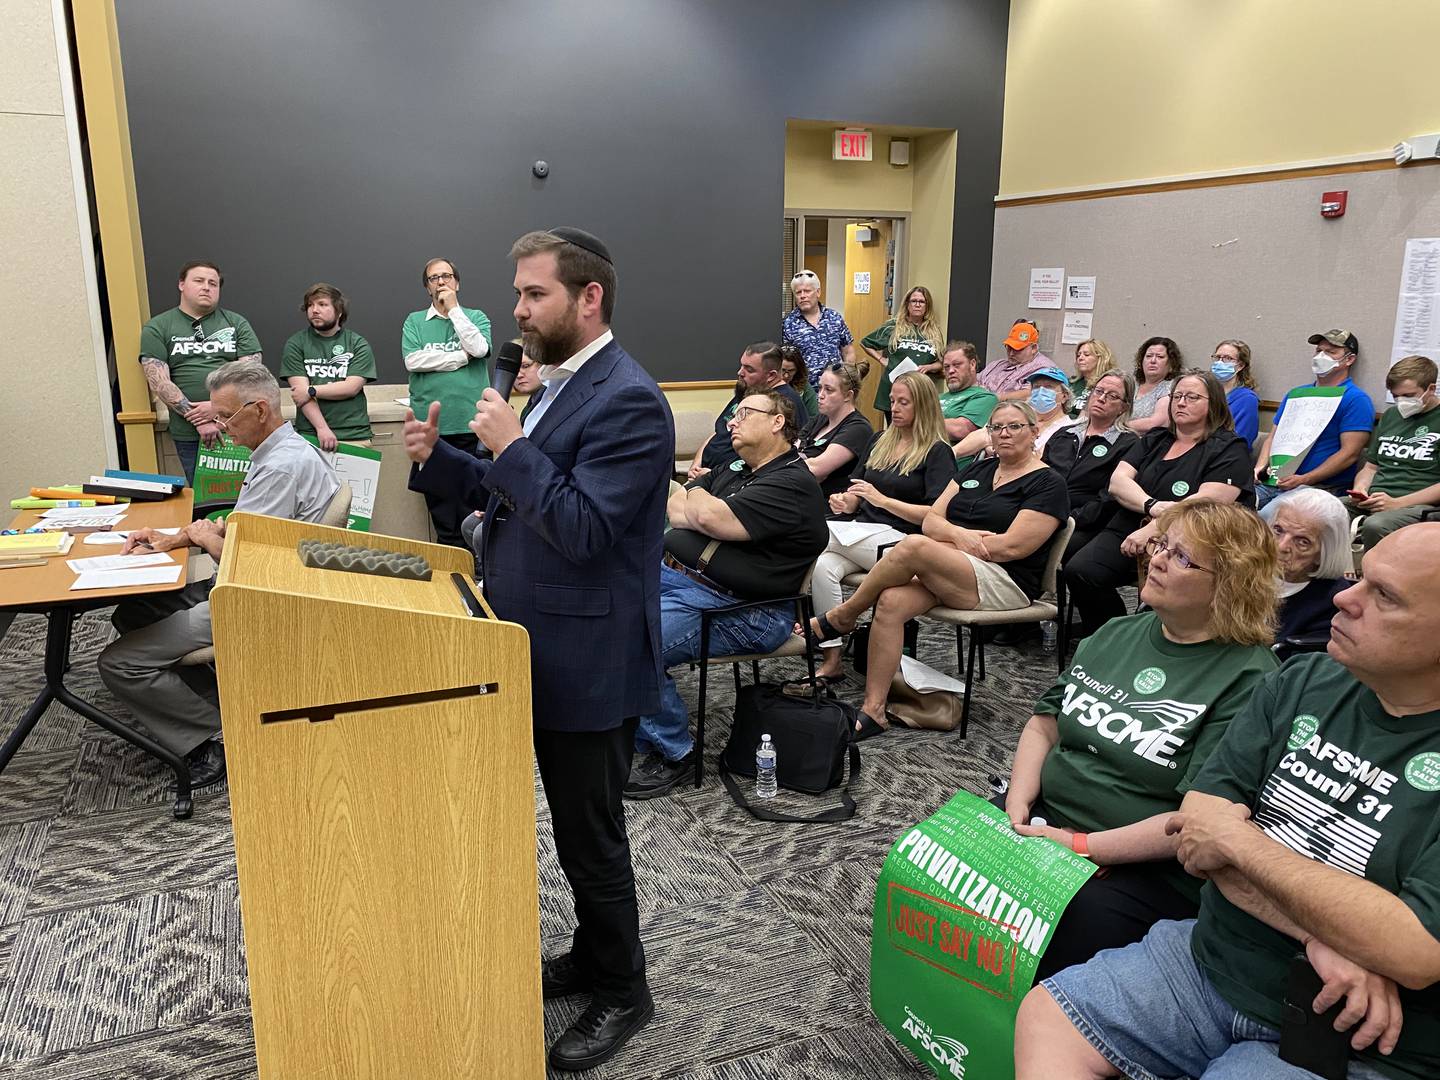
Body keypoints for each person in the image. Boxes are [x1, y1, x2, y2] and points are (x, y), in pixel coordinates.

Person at [1016, 523, 1440, 1080]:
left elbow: (1413, 951)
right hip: (1212, 957)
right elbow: (1196, 831)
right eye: (1360, 578)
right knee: (1048, 1017)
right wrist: (1330, 933)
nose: (1341, 596)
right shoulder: (1304, 680)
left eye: (1383, 595)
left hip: (1357, 1032)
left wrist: (1238, 840)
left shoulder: (1254, 671)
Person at [403, 227, 670, 1071]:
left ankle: (626, 990)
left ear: (588, 298)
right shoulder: (556, 384)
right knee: (566, 826)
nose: (517, 309)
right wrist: (444, 461)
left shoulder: (629, 399)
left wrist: (511, 447)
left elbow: (586, 530)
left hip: (589, 659)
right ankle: (594, 956)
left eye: (533, 294)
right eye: (517, 294)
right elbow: (514, 501)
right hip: (531, 643)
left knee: (592, 835)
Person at [1002, 501, 1279, 981]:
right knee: (939, 863)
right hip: (1046, 816)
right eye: (1161, 546)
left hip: (1146, 862)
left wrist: (1084, 846)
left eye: (1183, 558)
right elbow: (1045, 722)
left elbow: (1194, 819)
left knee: (1059, 927)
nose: (1157, 561)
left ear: (1230, 585)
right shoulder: (1116, 632)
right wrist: (1016, 801)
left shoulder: (1251, 679)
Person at [98, 360, 339, 788]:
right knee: (132, 613)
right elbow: (248, 529)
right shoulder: (280, 452)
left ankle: (210, 738)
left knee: (119, 663)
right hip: (249, 577)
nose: (220, 426)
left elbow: (245, 560)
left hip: (252, 594)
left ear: (260, 410)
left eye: (226, 416)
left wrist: (205, 539)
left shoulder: (280, 467)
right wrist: (177, 538)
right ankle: (213, 702)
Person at [812, 401, 1068, 738]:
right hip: (958, 568)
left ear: (1035, 432)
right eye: (996, 427)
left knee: (914, 546)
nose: (1004, 433)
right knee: (890, 601)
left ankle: (845, 614)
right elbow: (932, 520)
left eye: (1015, 426)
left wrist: (945, 544)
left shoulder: (1048, 483)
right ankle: (874, 710)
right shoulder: (976, 471)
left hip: (1006, 582)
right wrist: (958, 536)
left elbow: (1012, 547)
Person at [624, 392, 827, 799]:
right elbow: (680, 502)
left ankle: (678, 752)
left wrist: (699, 501)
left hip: (747, 610)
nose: (733, 421)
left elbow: (698, 511)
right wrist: (698, 499)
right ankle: (639, 727)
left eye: (745, 413)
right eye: (734, 413)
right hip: (688, 582)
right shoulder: (738, 467)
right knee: (601, 602)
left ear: (777, 422)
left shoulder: (789, 482)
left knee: (632, 643)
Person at [1064, 369, 1254, 638]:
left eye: (1191, 397)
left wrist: (1156, 527)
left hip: (1190, 539)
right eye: (1177, 396)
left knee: (1164, 591)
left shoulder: (1229, 447)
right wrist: (1152, 506)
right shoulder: (1156, 439)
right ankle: (1113, 635)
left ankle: (1146, 637)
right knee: (1081, 571)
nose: (1181, 403)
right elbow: (1118, 481)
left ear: (1213, 403)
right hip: (1131, 522)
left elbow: (1210, 501)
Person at [807, 371, 955, 687]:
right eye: (892, 401)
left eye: (904, 402)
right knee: (821, 566)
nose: (895, 408)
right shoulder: (879, 440)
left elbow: (933, 515)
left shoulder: (937, 451)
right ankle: (831, 660)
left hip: (904, 543)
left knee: (812, 533)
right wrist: (845, 501)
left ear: (924, 406)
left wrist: (883, 500)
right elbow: (857, 493)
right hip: (859, 533)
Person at [138, 260, 263, 484]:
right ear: (181, 285)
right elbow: (159, 381)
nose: (207, 287)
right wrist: (200, 420)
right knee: (206, 502)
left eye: (213, 283)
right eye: (199, 281)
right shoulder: (158, 327)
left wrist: (218, 411)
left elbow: (253, 376)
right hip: (191, 433)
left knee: (249, 497)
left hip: (240, 428)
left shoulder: (236, 323)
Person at [401, 257, 492, 547]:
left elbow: (479, 347)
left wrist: (453, 310)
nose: (441, 282)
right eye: (434, 278)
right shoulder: (415, 321)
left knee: (475, 511)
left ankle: (478, 575)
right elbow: (414, 360)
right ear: (427, 288)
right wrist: (460, 358)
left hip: (473, 427)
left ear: (457, 282)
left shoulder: (475, 317)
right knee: (442, 512)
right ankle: (449, 576)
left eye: (447, 276)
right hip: (433, 434)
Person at [1253, 328, 1375, 509]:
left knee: (1271, 515)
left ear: (1349, 359)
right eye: (1319, 351)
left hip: (1319, 488)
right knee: (1230, 506)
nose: (1321, 356)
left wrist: (1304, 479)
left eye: (1331, 352)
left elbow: (1349, 454)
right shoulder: (1296, 394)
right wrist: (1260, 466)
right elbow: (1273, 437)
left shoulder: (1355, 399)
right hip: (1274, 482)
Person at [1042, 370, 1138, 555]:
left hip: (1083, 524)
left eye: (1112, 396)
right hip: (1041, 513)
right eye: (1098, 391)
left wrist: (1067, 519)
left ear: (1123, 408)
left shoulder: (1128, 443)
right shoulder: (1064, 433)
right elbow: (1039, 474)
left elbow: (1109, 499)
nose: (1101, 398)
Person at [1350, 353, 1440, 549]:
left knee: (1375, 525)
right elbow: (1370, 467)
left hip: (1418, 504)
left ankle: (1375, 579)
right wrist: (1361, 489)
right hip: (1374, 499)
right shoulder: (1391, 415)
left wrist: (1398, 503)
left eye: (1408, 396)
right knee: (1321, 511)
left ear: (1431, 389)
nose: (1401, 402)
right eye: (1395, 395)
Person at [687, 342, 808, 478]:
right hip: (704, 473)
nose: (740, 373)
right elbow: (719, 432)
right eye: (741, 365)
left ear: (771, 376)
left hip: (729, 481)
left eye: (749, 369)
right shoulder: (749, 392)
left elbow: (768, 457)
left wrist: (716, 476)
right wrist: (697, 463)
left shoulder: (783, 403)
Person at [281, 282, 376, 449]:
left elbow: (351, 387)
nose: (314, 310)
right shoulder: (296, 343)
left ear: (339, 311)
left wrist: (312, 390)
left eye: (322, 304)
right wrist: (322, 428)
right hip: (311, 435)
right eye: (310, 305)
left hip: (354, 434)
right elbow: (299, 395)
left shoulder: (357, 343)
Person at [1260, 487, 1354, 644]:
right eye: (1278, 530)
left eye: (1302, 541)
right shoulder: (1243, 571)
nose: (1281, 546)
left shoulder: (1334, 603)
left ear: (1324, 553)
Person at [952, 366, 1072, 467]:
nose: (1040, 392)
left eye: (1048, 387)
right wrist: (951, 453)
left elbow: (1040, 459)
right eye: (1036, 387)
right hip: (991, 471)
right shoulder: (1019, 416)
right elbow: (984, 435)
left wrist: (995, 447)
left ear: (1064, 396)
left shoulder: (1068, 429)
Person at [860, 285, 946, 419]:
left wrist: (929, 367)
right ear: (907, 304)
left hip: (919, 389)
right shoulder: (894, 326)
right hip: (894, 387)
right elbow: (866, 343)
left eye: (922, 302)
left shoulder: (933, 331)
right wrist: (881, 360)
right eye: (914, 301)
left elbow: (942, 362)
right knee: (894, 431)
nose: (917, 305)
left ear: (927, 306)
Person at [795, 361, 874, 498]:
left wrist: (799, 462)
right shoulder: (820, 419)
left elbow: (817, 468)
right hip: (801, 493)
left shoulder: (858, 428)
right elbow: (788, 451)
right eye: (819, 388)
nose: (820, 395)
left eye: (828, 390)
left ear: (848, 396)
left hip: (831, 504)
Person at [781, 270, 856, 385]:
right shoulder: (788, 323)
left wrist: (849, 380)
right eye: (798, 292)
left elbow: (848, 352)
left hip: (835, 387)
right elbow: (786, 361)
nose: (802, 296)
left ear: (818, 292)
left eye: (807, 291)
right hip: (804, 391)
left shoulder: (834, 318)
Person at [937, 341, 998, 445]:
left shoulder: (985, 397)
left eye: (957, 365)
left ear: (972, 364)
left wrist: (919, 421)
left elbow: (960, 430)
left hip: (949, 457)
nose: (951, 371)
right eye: (947, 367)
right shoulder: (936, 397)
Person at [978, 320, 1051, 402]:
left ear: (1033, 348)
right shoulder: (998, 364)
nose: (1011, 353)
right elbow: (975, 381)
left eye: (1017, 349)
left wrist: (994, 398)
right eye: (1009, 348)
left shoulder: (1044, 369)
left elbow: (1030, 393)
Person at [1211, 338, 1259, 448]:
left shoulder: (1246, 399)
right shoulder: (1207, 392)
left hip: (1227, 457)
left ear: (1241, 365)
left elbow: (1241, 440)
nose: (1220, 362)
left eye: (1228, 358)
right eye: (1218, 357)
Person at [1129, 336, 1182, 433]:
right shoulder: (1131, 384)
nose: (1153, 361)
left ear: (1171, 364)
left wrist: (1119, 425)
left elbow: (1157, 423)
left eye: (1160, 357)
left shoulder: (1171, 388)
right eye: (1149, 356)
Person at [1068, 338, 1117, 419]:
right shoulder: (1070, 383)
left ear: (1101, 359)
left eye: (1086, 355)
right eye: (1078, 355)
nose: (1080, 358)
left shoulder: (1109, 385)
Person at [779, 344, 820, 419]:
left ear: (798, 370)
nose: (786, 376)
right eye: (783, 370)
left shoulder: (804, 387)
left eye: (791, 371)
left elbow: (814, 418)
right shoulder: (765, 384)